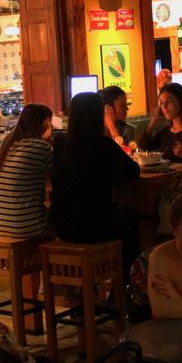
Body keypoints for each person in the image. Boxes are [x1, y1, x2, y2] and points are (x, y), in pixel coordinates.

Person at [50, 92, 141, 269]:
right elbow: (133, 171)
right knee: (132, 220)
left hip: (62, 226)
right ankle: (125, 280)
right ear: (99, 116)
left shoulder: (61, 143)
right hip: (95, 226)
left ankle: (93, 278)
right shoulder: (103, 145)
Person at [0, 103, 55, 239]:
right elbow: (57, 178)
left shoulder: (7, 143)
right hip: (28, 225)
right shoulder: (41, 147)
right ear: (43, 123)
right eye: (50, 122)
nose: (52, 126)